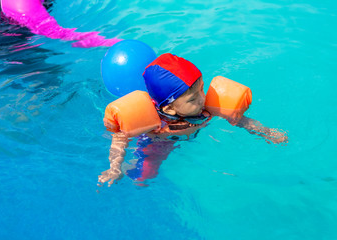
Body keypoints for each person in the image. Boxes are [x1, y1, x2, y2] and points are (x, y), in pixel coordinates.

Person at [98, 53, 288, 186]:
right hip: (159, 143)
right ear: (168, 107)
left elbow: (240, 120)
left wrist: (267, 132)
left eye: (201, 89)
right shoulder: (155, 120)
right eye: (192, 98)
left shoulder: (205, 107)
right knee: (144, 178)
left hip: (188, 135)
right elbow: (120, 137)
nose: (202, 98)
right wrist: (114, 166)